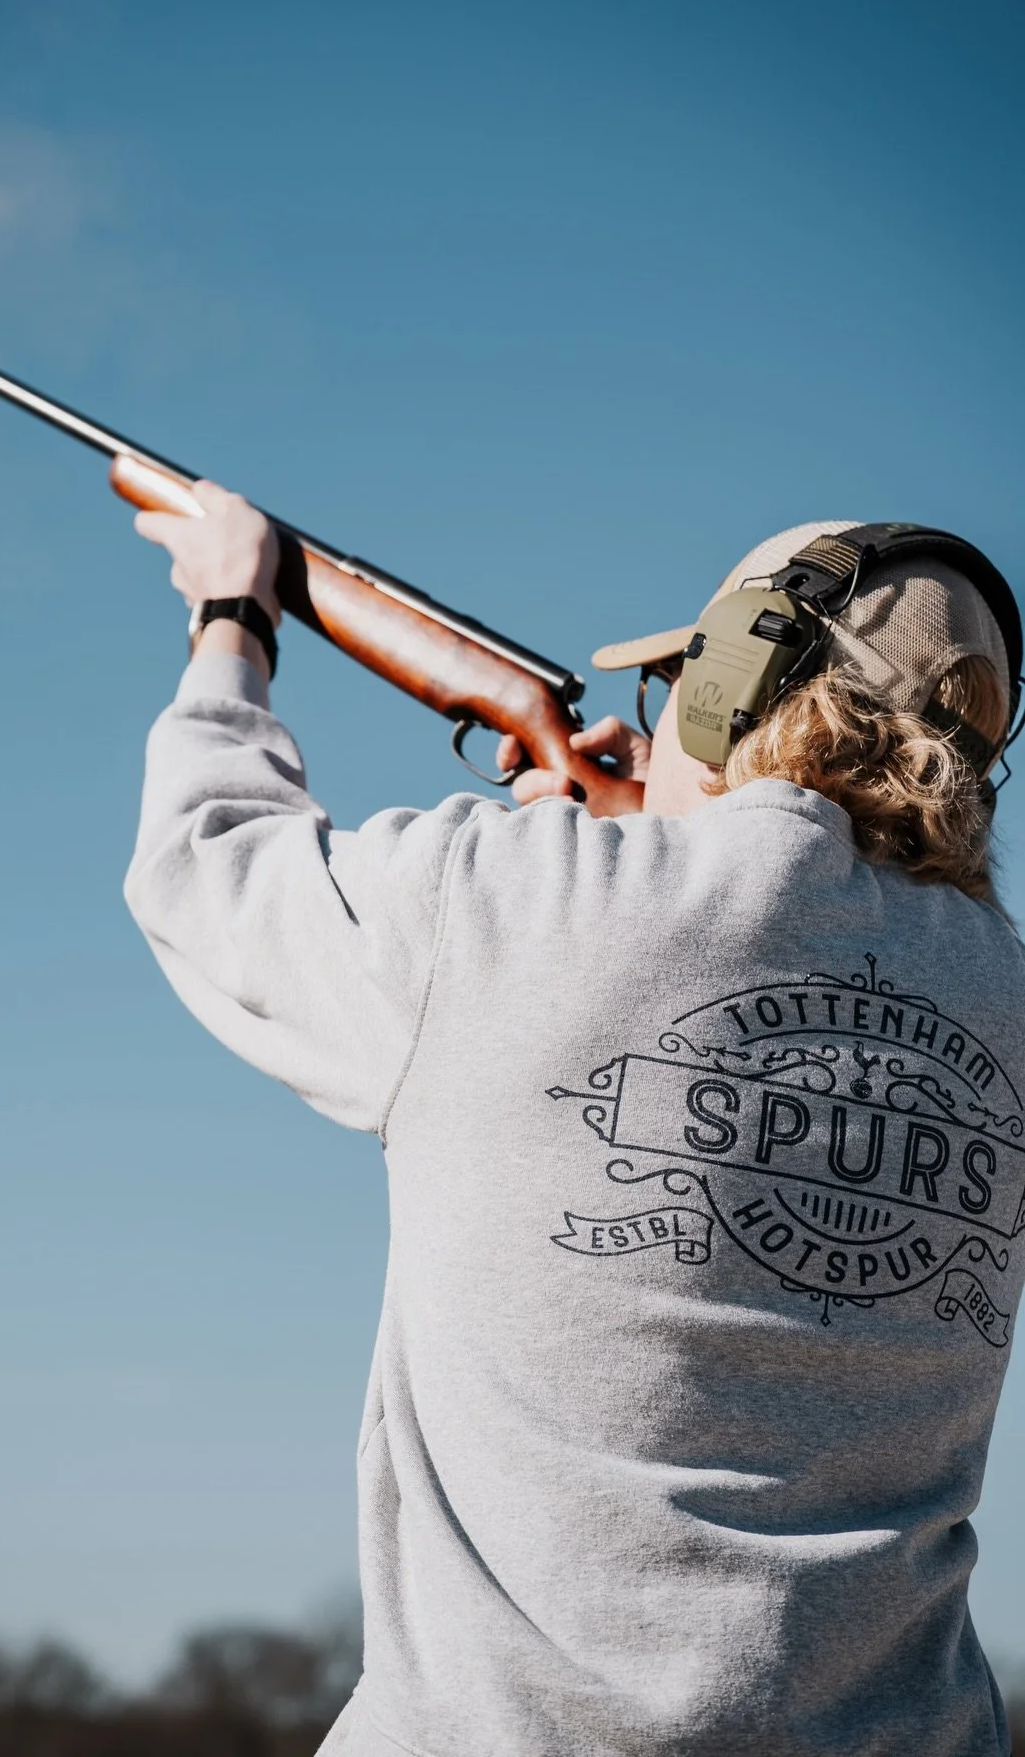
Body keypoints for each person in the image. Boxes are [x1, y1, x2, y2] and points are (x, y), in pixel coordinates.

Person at [126, 486, 1025, 1757]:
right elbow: (781, 937)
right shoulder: (1010, 1003)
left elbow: (206, 860)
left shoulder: (505, 901)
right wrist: (650, 845)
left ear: (727, 692)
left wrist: (232, 615)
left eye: (671, 697)